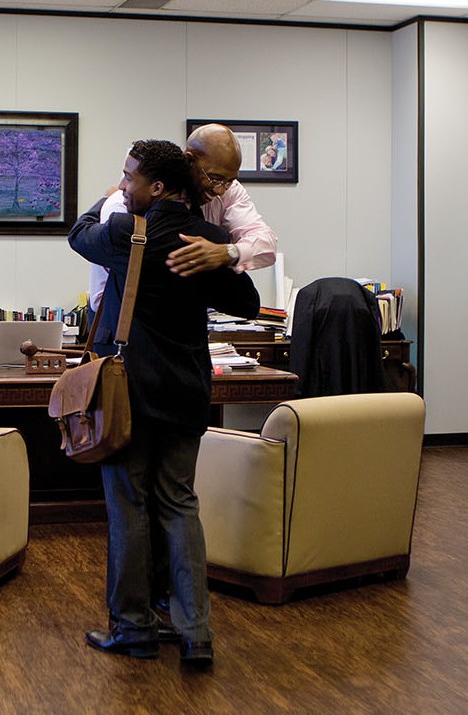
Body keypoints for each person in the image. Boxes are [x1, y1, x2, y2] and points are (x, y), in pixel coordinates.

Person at [68, 140, 260, 666]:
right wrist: (220, 258)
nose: (124, 184)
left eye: (130, 177)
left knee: (128, 504)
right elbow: (247, 302)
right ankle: (194, 630)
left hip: (127, 394)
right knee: (179, 504)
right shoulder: (208, 239)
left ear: (156, 187)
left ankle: (133, 628)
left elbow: (77, 234)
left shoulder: (125, 233)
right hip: (186, 392)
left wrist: (102, 199)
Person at [88, 123, 278, 311]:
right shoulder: (129, 201)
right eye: (214, 178)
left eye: (229, 181)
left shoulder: (229, 192)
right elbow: (106, 284)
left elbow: (266, 243)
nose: (220, 189)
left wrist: (228, 253)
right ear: (190, 160)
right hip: (122, 319)